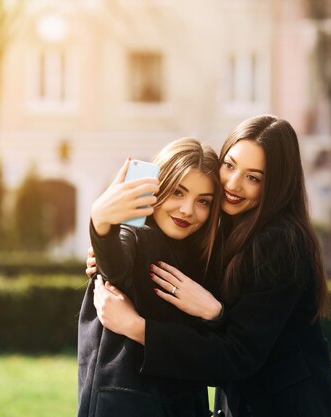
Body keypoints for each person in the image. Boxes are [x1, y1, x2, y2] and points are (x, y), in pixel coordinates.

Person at [90, 115, 331, 417]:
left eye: (253, 177)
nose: (233, 183)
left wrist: (138, 327)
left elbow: (239, 354)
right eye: (229, 165)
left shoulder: (279, 239)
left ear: (275, 185)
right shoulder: (227, 226)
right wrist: (103, 239)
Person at [77, 138, 223, 417]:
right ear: (157, 187)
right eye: (178, 193)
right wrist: (102, 224)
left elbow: (217, 354)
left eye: (203, 201)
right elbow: (115, 265)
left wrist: (213, 313)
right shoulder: (132, 235)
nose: (187, 210)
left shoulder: (206, 258)